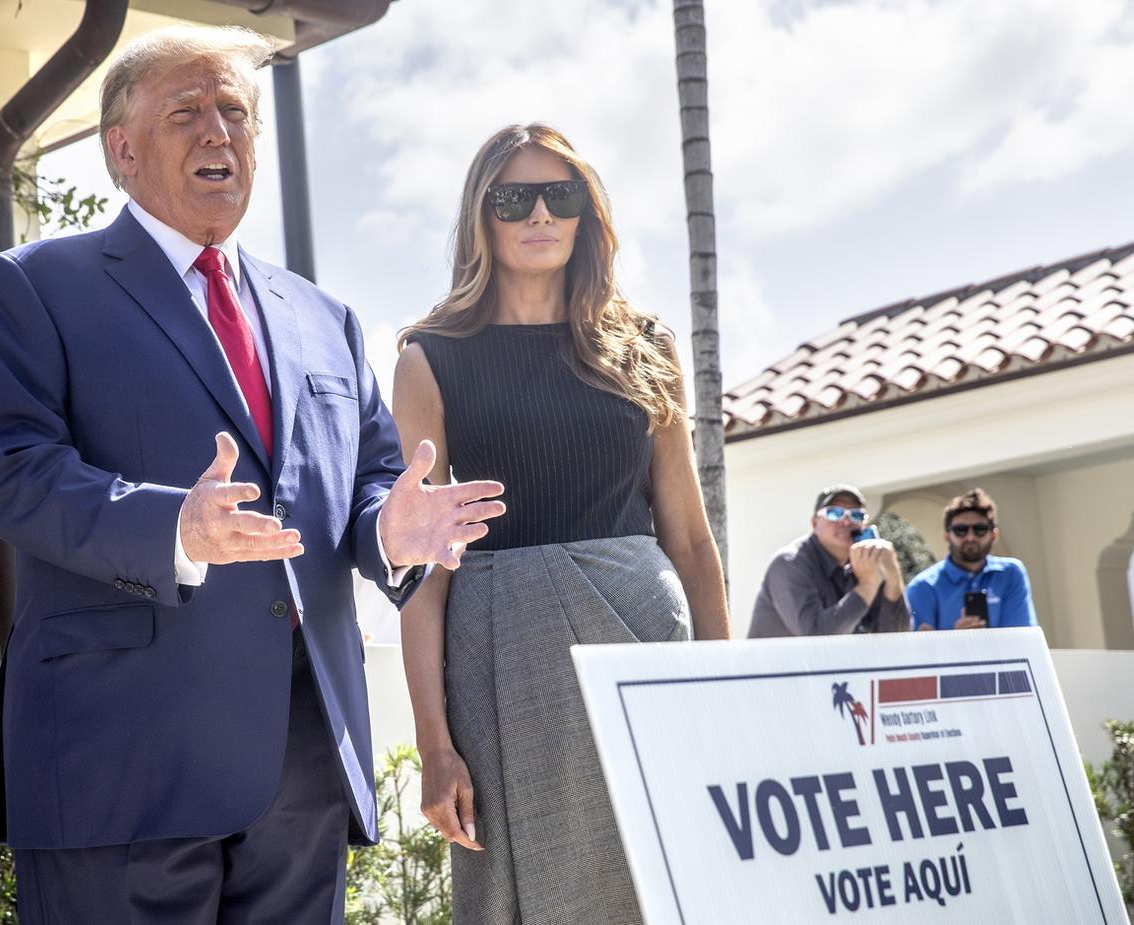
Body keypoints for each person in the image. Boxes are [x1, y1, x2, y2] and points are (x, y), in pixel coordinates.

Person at [0, 25, 504, 923]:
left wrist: (388, 531)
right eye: (187, 112)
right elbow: (12, 468)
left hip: (302, 764)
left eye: (236, 113)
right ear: (121, 151)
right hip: (121, 763)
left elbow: (367, 476)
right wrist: (173, 525)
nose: (220, 132)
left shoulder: (324, 317)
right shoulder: (32, 286)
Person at [391, 122, 730, 925]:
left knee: (664, 881)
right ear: (484, 215)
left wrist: (724, 687)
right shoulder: (428, 358)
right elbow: (421, 569)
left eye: (561, 193)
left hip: (646, 653)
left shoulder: (645, 348)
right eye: (515, 197)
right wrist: (435, 745)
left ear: (588, 212)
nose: (539, 213)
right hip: (503, 661)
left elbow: (688, 536)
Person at [749, 485, 911, 637]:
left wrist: (893, 579)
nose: (846, 522)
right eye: (834, 513)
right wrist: (867, 585)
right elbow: (815, 636)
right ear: (814, 522)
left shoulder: (865, 564)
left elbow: (895, 636)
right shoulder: (790, 563)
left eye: (856, 515)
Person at [907, 488, 1038, 631]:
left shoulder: (1010, 573)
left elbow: (1021, 639)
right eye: (961, 530)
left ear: (994, 535)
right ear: (947, 536)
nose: (970, 537)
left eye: (980, 529)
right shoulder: (923, 587)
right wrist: (957, 639)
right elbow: (919, 651)